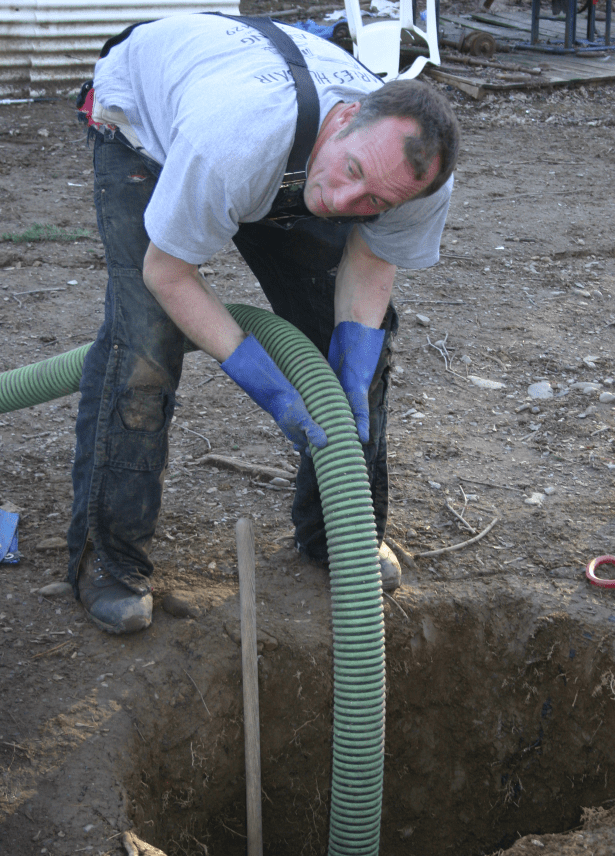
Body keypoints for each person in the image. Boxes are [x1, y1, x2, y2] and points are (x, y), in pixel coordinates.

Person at [67, 12, 460, 635]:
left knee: (358, 349)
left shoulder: (414, 177)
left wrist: (351, 368)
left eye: (376, 203)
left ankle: (340, 537)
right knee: (146, 342)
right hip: (147, 127)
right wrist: (265, 380)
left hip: (277, 143)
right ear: (340, 122)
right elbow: (169, 272)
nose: (345, 205)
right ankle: (110, 561)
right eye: (352, 173)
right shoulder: (233, 139)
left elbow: (370, 256)